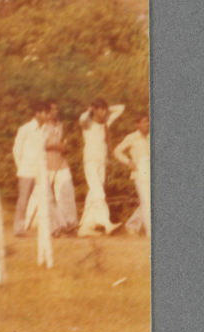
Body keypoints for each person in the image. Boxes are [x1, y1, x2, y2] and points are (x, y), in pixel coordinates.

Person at [26, 103, 78, 236]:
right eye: (52, 109)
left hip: (61, 163)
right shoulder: (42, 126)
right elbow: (38, 145)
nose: (55, 112)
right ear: (47, 112)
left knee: (67, 192)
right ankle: (27, 224)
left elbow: (63, 142)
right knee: (40, 196)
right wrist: (55, 146)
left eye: (57, 109)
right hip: (46, 164)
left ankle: (69, 224)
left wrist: (63, 147)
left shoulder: (60, 124)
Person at [77, 99, 125, 237]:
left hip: (102, 162)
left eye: (105, 110)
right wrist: (90, 110)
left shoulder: (106, 122)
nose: (103, 112)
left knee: (94, 194)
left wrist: (107, 109)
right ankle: (106, 223)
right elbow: (82, 118)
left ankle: (85, 227)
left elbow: (121, 107)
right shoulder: (87, 123)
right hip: (90, 161)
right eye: (100, 109)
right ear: (94, 110)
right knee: (99, 193)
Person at [11, 101, 49, 236]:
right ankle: (19, 228)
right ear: (37, 113)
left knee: (44, 198)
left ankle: (44, 228)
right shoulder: (25, 129)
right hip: (26, 171)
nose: (47, 115)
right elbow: (17, 149)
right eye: (45, 113)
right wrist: (20, 167)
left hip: (41, 171)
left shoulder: (46, 130)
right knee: (23, 200)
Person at [114, 113, 151, 236]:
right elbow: (117, 151)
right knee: (146, 201)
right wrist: (128, 162)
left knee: (148, 201)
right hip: (140, 171)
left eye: (148, 121)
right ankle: (150, 232)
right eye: (144, 121)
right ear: (137, 124)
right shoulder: (132, 137)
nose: (147, 124)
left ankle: (131, 225)